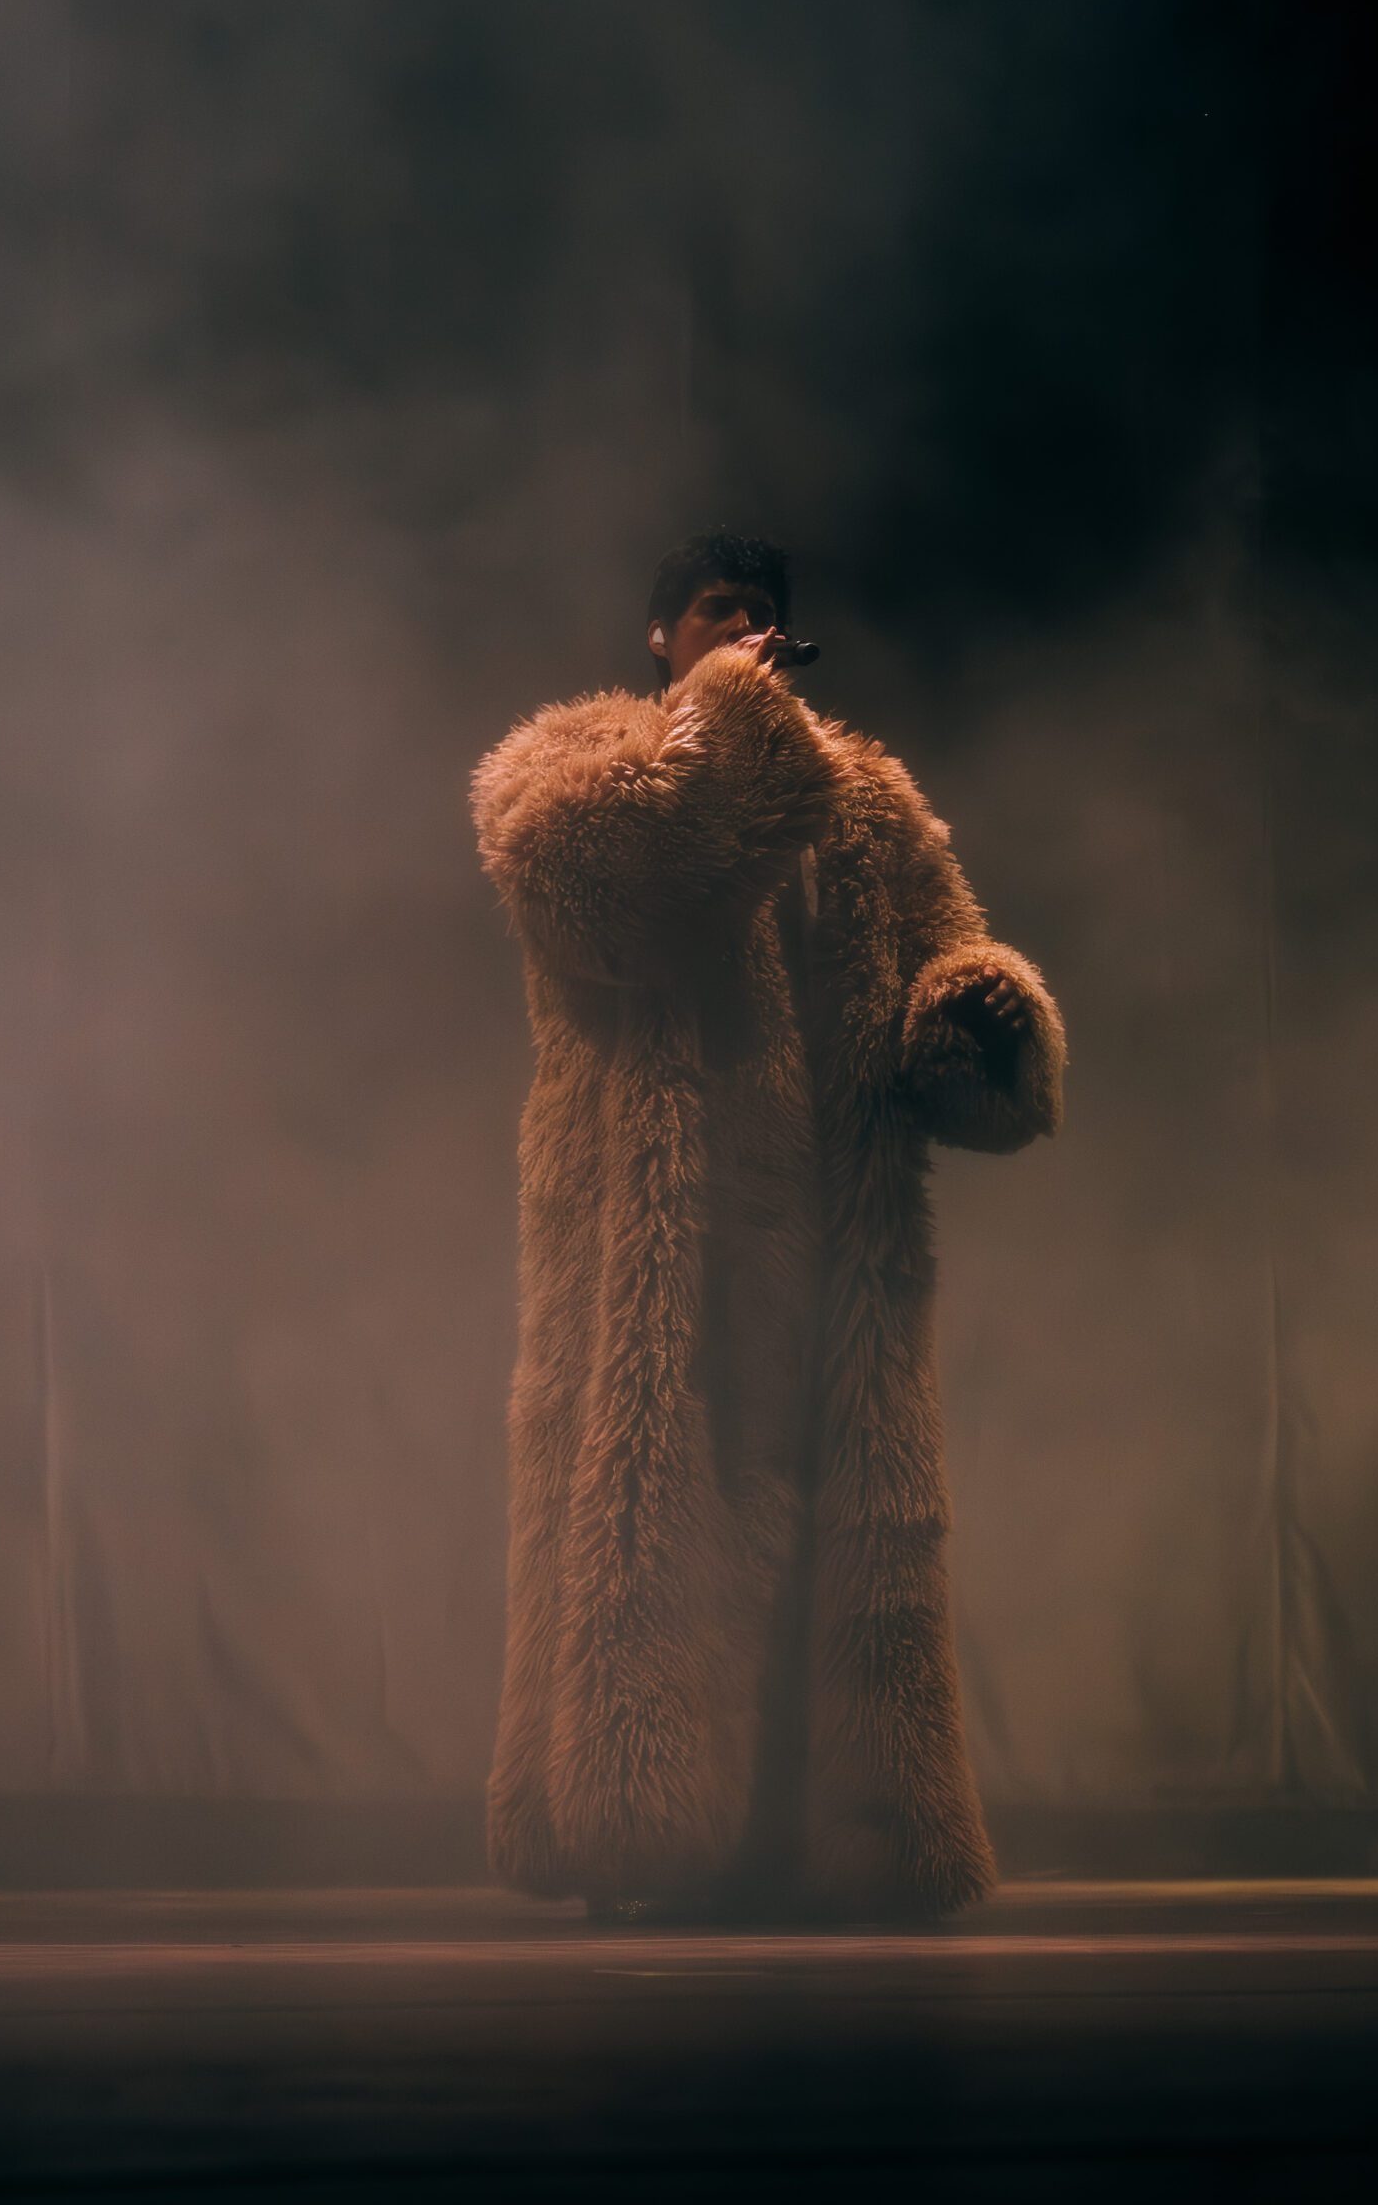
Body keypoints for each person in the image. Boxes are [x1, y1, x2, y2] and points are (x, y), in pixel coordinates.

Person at [472, 532, 1065, 1921]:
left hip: (837, 1225)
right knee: (662, 1517)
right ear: (659, 635)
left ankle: (847, 1839)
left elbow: (942, 955)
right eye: (715, 610)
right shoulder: (570, 762)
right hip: (659, 1235)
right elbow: (615, 908)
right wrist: (733, 717)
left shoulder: (866, 803)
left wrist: (981, 1011)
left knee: (828, 1535)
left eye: (763, 615)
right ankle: (644, 1835)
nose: (745, 629)